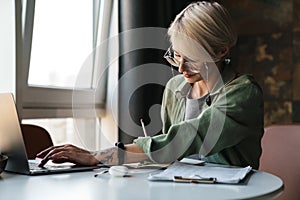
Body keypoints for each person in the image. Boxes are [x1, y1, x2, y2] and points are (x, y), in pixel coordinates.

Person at [37, 1, 264, 169]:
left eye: (192, 58)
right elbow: (170, 154)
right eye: (176, 56)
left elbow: (186, 138)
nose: (181, 68)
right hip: (183, 187)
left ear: (221, 50)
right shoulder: (176, 87)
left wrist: (99, 156)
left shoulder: (243, 92)